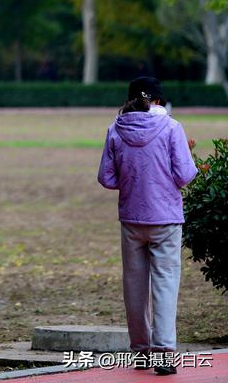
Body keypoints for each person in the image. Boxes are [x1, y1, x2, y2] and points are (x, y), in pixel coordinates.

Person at [97, 77, 197, 377]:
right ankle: (164, 353)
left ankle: (140, 351)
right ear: (158, 100)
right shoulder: (171, 128)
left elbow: (107, 178)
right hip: (166, 218)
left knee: (134, 285)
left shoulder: (115, 128)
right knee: (165, 283)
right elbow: (185, 174)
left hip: (131, 218)